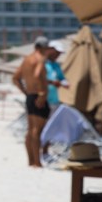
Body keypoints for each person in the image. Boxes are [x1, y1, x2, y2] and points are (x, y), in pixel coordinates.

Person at [13, 36, 50, 168]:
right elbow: (37, 74)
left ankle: (31, 161)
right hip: (39, 96)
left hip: (30, 96)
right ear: (43, 48)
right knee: (37, 130)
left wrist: (26, 92)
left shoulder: (26, 60)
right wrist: (42, 94)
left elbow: (16, 78)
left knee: (30, 130)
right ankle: (37, 162)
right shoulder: (40, 58)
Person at [44, 40, 69, 108]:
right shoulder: (42, 63)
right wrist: (52, 82)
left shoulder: (56, 65)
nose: (58, 55)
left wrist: (65, 83)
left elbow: (61, 77)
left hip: (54, 100)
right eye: (57, 52)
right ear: (50, 49)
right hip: (42, 100)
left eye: (59, 53)